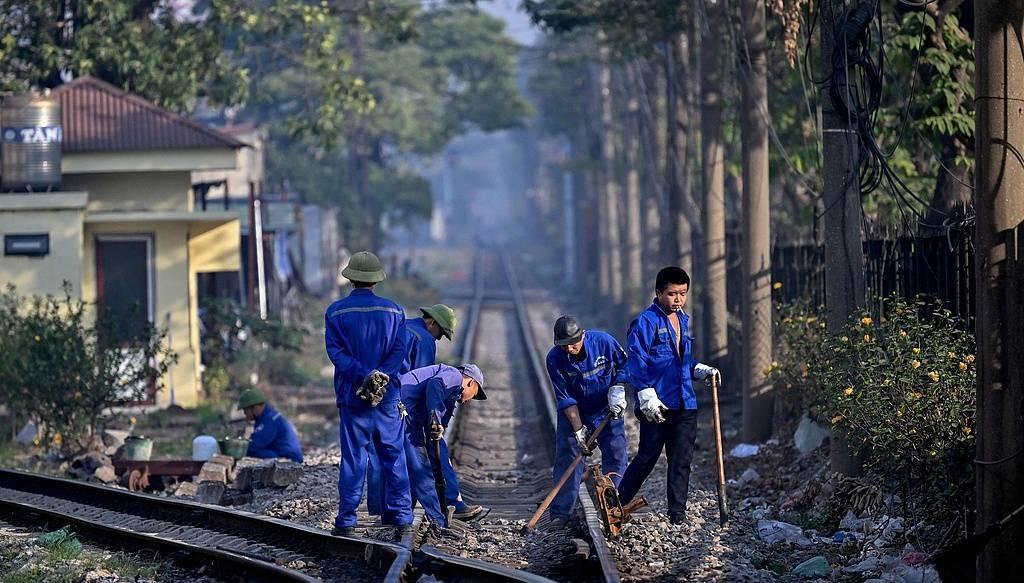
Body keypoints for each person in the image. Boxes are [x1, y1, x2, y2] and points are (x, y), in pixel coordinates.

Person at [616, 266, 720, 525]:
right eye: (672, 294)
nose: (678, 300)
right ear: (659, 292)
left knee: (681, 459)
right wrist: (645, 393)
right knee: (647, 456)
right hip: (656, 404)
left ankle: (677, 514)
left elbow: (682, 360)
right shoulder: (645, 322)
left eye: (683, 294)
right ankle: (616, 502)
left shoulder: (683, 320)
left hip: (685, 402)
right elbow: (636, 361)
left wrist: (699, 369)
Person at [368, 304, 488, 521]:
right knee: (420, 461)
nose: (439, 338)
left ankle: (391, 511)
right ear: (471, 382)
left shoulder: (400, 327)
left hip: (380, 397)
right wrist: (433, 418)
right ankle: (445, 510)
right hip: (403, 405)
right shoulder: (428, 344)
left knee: (389, 458)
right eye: (440, 333)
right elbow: (430, 386)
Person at [324, 251, 412, 536]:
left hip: (353, 396)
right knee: (393, 453)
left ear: (350, 279)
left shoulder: (335, 312)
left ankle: (347, 519)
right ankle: (401, 515)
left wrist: (364, 376)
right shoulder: (395, 311)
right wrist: (381, 375)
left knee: (353, 458)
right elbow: (400, 350)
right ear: (376, 280)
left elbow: (336, 353)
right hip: (387, 396)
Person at [544, 316, 629, 528]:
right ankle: (561, 513)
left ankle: (613, 505)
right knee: (568, 458)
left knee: (616, 453)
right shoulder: (554, 358)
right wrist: (579, 431)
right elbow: (565, 398)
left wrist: (618, 388)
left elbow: (625, 364)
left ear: (583, 335)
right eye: (563, 345)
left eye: (573, 343)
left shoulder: (604, 342)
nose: (569, 349)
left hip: (606, 408)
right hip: (575, 412)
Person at [396, 363, 487, 529]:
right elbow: (435, 384)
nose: (468, 401)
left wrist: (438, 425)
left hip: (409, 414)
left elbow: (438, 428)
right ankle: (438, 520)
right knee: (419, 468)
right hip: (402, 411)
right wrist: (435, 418)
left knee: (437, 453)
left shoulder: (452, 393)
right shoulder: (454, 376)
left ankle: (452, 503)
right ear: (471, 382)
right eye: (473, 395)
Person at [238, 389, 303, 463]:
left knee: (252, 452)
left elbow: (254, 445)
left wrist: (238, 447)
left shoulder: (269, 420)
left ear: (255, 407)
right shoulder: (267, 416)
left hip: (290, 458)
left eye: (245, 410)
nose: (245, 414)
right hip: (283, 453)